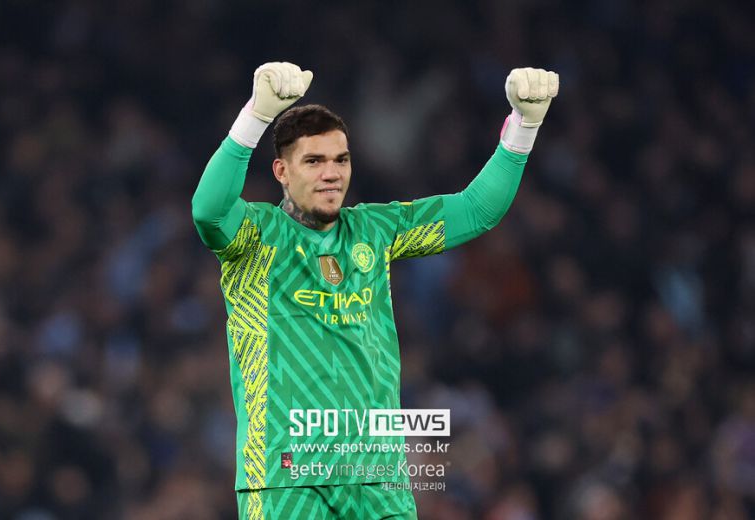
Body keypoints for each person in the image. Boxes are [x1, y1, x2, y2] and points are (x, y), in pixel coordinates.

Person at [191, 62, 559, 519]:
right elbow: (208, 211)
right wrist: (255, 117)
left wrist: (524, 126)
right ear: (282, 171)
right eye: (314, 161)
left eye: (340, 160)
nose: (331, 173)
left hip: (377, 479)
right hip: (286, 476)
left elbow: (475, 210)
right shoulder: (255, 236)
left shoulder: (374, 230)